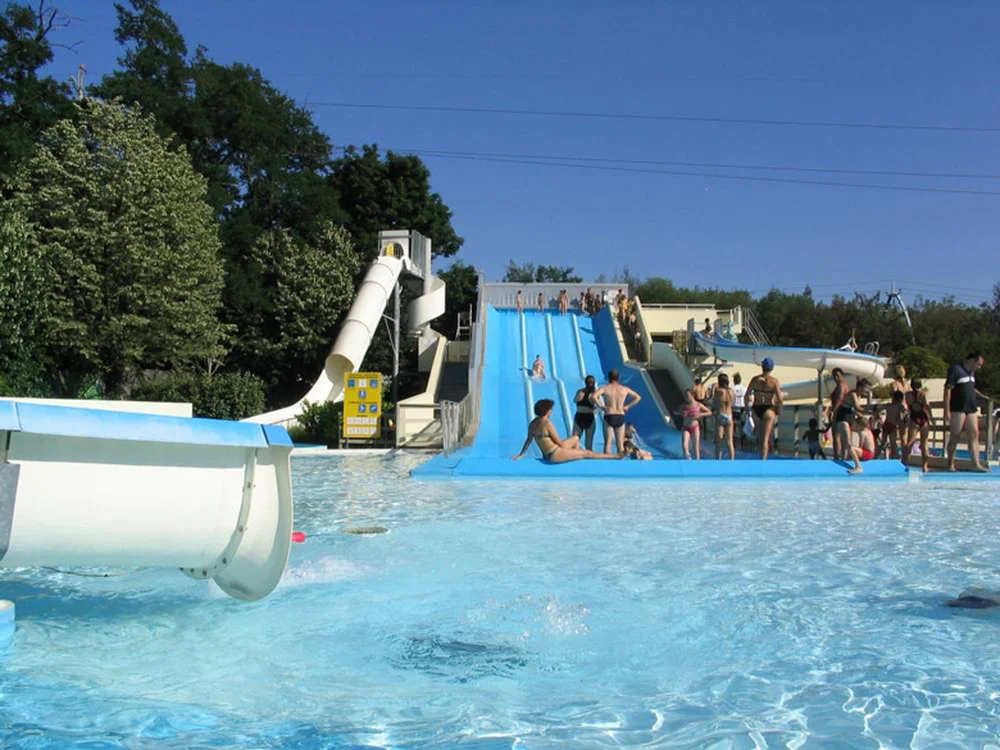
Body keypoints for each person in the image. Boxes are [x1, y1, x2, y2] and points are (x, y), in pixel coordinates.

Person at [512, 399, 623, 464]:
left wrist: (521, 455)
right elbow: (559, 443)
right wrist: (576, 452)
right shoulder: (547, 424)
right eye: (550, 409)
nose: (551, 411)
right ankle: (615, 456)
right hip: (555, 454)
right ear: (546, 410)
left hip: (547, 455)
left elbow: (528, 440)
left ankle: (578, 461)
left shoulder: (533, 423)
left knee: (575, 438)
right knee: (587, 453)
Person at [944, 351, 988, 472]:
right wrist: (946, 410)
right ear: (972, 361)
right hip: (958, 408)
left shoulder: (971, 372)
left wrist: (982, 396)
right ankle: (950, 464)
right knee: (955, 436)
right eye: (978, 364)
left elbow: (970, 388)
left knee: (974, 434)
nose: (979, 367)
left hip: (971, 408)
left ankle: (976, 464)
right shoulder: (955, 369)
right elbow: (947, 390)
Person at [592, 369, 642, 455]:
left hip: (609, 415)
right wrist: (627, 406)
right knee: (620, 444)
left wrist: (601, 406)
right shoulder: (624, 389)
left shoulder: (605, 388)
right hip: (620, 416)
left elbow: (594, 396)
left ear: (609, 378)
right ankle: (620, 463)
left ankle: (607, 462)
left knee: (608, 442)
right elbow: (638, 397)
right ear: (618, 378)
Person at [746, 358, 782, 460]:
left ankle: (760, 456)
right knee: (766, 438)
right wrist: (779, 410)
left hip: (756, 408)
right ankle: (763, 460)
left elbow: (747, 395)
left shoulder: (754, 380)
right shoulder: (774, 382)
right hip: (768, 409)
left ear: (762, 367)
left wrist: (747, 409)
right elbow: (779, 398)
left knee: (760, 437)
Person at [833, 379, 869, 474]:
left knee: (846, 444)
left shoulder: (858, 396)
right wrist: (871, 412)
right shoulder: (852, 394)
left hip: (850, 417)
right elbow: (857, 407)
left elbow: (854, 409)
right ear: (860, 387)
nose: (866, 391)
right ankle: (858, 466)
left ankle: (845, 460)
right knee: (847, 444)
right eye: (865, 389)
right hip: (843, 418)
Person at [903, 378, 934, 472]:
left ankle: (904, 463)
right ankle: (925, 466)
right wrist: (932, 418)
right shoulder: (922, 395)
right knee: (924, 443)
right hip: (923, 419)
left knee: (910, 443)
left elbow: (908, 406)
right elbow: (927, 407)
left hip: (914, 419)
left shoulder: (908, 395)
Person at [681, 389, 713, 460]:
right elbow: (677, 412)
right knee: (684, 446)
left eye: (687, 396)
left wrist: (700, 414)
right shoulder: (684, 405)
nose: (686, 397)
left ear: (692, 395)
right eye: (685, 396)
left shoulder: (698, 405)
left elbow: (709, 412)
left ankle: (697, 463)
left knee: (696, 448)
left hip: (695, 428)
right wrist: (682, 413)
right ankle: (687, 457)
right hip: (686, 428)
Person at [826, 368, 850, 460]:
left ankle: (837, 456)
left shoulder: (841, 385)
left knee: (836, 435)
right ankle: (840, 456)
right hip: (841, 411)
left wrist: (833, 411)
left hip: (839, 412)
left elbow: (840, 399)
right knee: (840, 435)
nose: (835, 378)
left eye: (837, 375)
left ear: (842, 375)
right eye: (834, 376)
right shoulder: (842, 385)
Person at [572, 375, 599, 450]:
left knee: (575, 441)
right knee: (588, 443)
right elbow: (600, 405)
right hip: (588, 417)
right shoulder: (594, 393)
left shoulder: (580, 392)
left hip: (580, 416)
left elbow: (575, 401)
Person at [713, 373, 735, 460]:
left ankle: (718, 461)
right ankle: (732, 461)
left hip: (720, 415)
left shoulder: (718, 391)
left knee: (719, 442)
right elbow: (733, 402)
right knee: (730, 441)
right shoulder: (731, 391)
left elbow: (715, 402)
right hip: (729, 415)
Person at [880, 390, 908, 459]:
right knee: (893, 443)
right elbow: (904, 415)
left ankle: (875, 455)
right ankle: (894, 457)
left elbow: (879, 409)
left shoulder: (889, 405)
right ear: (900, 399)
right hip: (892, 426)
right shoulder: (900, 406)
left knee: (883, 442)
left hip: (886, 425)